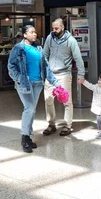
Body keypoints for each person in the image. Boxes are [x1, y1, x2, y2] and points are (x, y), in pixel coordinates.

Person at [8, 25, 61, 153]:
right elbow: (11, 66)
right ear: (24, 35)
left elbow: (46, 67)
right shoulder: (18, 48)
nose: (35, 34)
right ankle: (25, 137)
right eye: (31, 32)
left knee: (31, 110)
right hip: (25, 84)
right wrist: (19, 78)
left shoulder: (38, 49)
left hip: (38, 83)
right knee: (29, 108)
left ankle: (29, 137)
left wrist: (55, 82)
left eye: (35, 32)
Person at [42, 18, 85, 137]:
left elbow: (78, 59)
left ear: (62, 27)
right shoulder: (50, 38)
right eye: (53, 28)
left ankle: (68, 125)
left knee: (66, 101)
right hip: (51, 75)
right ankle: (51, 124)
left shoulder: (71, 41)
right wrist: (44, 72)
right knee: (48, 100)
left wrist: (81, 74)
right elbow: (45, 55)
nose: (54, 30)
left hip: (64, 74)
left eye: (56, 28)